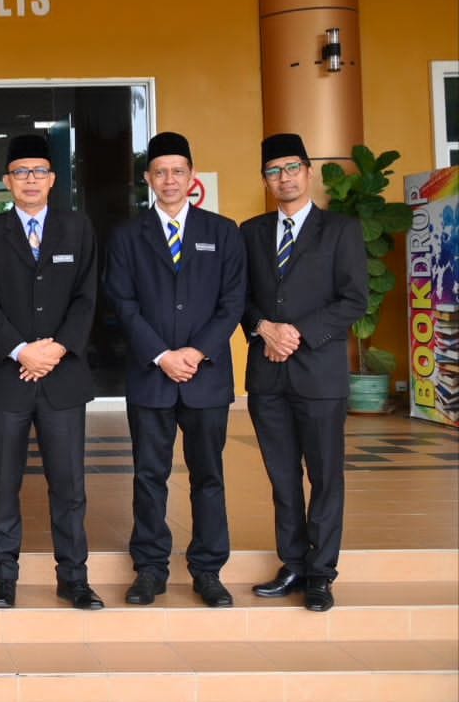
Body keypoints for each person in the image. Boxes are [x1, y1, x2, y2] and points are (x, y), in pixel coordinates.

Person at [104, 131, 246, 608]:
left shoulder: (222, 231)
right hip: (151, 375)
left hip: (207, 377)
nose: (169, 180)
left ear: (191, 177)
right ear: (148, 179)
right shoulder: (127, 235)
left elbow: (233, 302)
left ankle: (208, 570)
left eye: (178, 172)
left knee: (209, 476)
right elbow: (122, 302)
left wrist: (196, 352)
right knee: (149, 475)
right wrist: (162, 355)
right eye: (160, 172)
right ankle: (150, 568)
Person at [0, 134, 104, 611]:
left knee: (69, 486)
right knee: (3, 484)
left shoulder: (77, 227)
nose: (30, 180)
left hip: (63, 376)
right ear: (7, 181)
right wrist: (21, 350)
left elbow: (87, 295)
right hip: (9, 376)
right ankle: (3, 578)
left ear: (52, 179)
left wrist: (56, 348)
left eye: (39, 172)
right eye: (21, 172)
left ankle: (74, 578)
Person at [240, 133, 368, 612]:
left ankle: (321, 572)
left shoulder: (340, 230)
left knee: (325, 476)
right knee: (282, 476)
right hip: (267, 377)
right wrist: (263, 328)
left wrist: (296, 333)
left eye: (292, 167)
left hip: (319, 374)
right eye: (274, 171)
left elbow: (354, 299)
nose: (284, 178)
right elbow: (238, 298)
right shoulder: (250, 232)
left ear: (309, 171)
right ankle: (292, 562)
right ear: (265, 180)